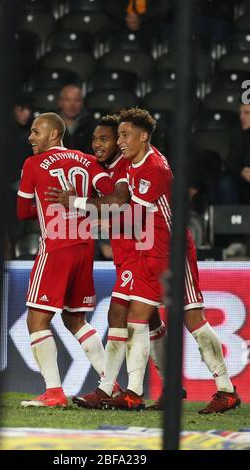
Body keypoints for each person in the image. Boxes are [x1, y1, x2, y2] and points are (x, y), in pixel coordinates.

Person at [48, 108, 241, 414]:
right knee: (131, 316)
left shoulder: (154, 169)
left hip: (169, 252)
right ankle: (126, 389)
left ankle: (220, 389)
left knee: (187, 319)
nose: (116, 143)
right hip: (144, 250)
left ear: (143, 136)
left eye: (120, 136)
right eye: (114, 137)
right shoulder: (129, 162)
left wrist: (81, 207)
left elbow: (123, 209)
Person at [47, 114, 181, 411]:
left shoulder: (124, 168)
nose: (100, 144)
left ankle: (117, 389)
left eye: (107, 138)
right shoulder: (105, 167)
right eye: (96, 139)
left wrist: (80, 204)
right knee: (146, 320)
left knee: (123, 316)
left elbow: (120, 203)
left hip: (141, 252)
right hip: (128, 252)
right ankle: (168, 387)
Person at [17, 112, 117, 408]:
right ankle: (110, 384)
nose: (30, 137)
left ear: (53, 134)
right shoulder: (88, 160)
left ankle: (54, 392)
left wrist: (49, 207)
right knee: (75, 319)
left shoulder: (32, 164)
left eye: (36, 132)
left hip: (57, 247)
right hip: (86, 245)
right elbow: (112, 193)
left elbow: (23, 211)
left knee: (37, 319)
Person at [58, 84, 96, 154]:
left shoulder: (92, 126)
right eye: (67, 100)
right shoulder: (51, 124)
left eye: (77, 100)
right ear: (60, 102)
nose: (72, 104)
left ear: (82, 103)